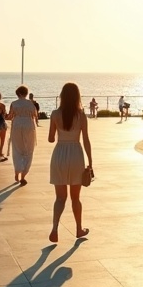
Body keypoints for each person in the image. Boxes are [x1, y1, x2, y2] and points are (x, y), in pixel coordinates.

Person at [48, 82, 93, 242]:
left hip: (59, 154)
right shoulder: (81, 115)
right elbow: (86, 139)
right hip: (76, 154)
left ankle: (54, 228)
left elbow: (51, 138)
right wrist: (90, 162)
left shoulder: (55, 114)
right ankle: (79, 229)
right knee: (75, 198)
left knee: (60, 198)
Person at [8, 85, 39, 185]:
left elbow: (10, 116)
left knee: (17, 149)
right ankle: (23, 175)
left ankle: (17, 171)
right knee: (28, 150)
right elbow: (35, 115)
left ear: (18, 94)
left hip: (17, 124)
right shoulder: (30, 104)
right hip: (28, 125)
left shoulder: (14, 103)